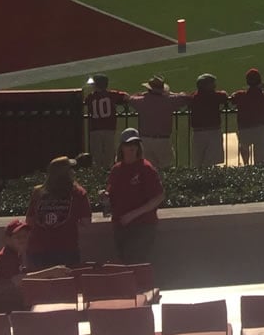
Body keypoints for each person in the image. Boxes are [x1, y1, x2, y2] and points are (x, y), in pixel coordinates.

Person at [105, 129, 164, 265]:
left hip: (142, 227)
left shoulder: (146, 168)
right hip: (121, 227)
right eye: (128, 144)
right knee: (125, 263)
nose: (132, 147)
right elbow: (111, 195)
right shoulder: (116, 170)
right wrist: (105, 196)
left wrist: (133, 214)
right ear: (122, 147)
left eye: (135, 144)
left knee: (137, 263)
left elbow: (159, 197)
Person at [24, 156, 92, 270]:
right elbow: (86, 222)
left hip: (37, 248)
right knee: (66, 285)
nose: (73, 172)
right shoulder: (78, 193)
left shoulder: (38, 192)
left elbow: (29, 221)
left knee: (40, 285)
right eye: (71, 169)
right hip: (66, 248)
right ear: (68, 173)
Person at [129, 77, 182, 169]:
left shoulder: (141, 100)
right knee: (166, 169)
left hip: (145, 140)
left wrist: (142, 94)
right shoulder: (169, 100)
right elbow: (184, 97)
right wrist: (170, 94)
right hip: (163, 140)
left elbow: (130, 98)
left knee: (148, 169)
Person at [232, 68, 264, 166]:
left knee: (244, 147)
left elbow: (232, 98)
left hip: (244, 128)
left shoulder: (240, 95)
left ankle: (246, 165)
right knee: (261, 162)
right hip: (261, 129)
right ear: (259, 81)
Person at [84, 75, 129, 169]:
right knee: (109, 154)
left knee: (97, 155)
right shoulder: (112, 95)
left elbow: (87, 101)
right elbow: (126, 96)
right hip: (109, 128)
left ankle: (98, 174)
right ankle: (109, 172)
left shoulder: (91, 97)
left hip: (95, 129)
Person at [0, 219, 29, 313]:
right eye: (18, 237)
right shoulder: (5, 257)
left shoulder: (16, 254)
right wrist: (48, 273)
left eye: (25, 236)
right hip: (6, 310)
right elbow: (18, 280)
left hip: (14, 305)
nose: (23, 240)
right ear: (7, 239)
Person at [186, 74, 226, 168]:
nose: (215, 86)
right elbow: (224, 96)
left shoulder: (193, 97)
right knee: (211, 162)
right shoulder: (215, 96)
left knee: (197, 161)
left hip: (198, 133)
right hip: (213, 131)